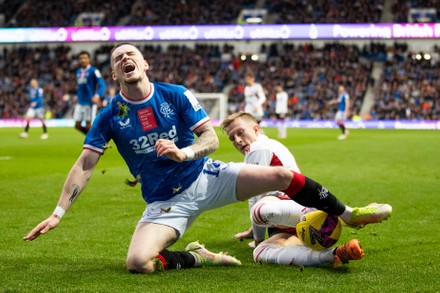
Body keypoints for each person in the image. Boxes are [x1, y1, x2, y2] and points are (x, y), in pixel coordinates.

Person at [24, 43, 391, 274]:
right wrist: (58, 213)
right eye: (118, 58)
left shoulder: (176, 95)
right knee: (138, 264)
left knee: (279, 177)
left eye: (131, 54)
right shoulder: (109, 116)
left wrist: (184, 152)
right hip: (165, 202)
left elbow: (211, 137)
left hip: (207, 176)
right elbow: (86, 164)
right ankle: (197, 256)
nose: (124, 58)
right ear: (115, 73)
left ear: (145, 63)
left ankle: (349, 215)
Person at [220, 112, 391, 247]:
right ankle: (335, 248)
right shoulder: (263, 147)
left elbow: (255, 198)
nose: (238, 140)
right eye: (232, 138)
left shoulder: (257, 148)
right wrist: (254, 231)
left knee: (260, 212)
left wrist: (258, 240)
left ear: (256, 129)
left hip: (287, 205)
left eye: (240, 132)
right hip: (284, 213)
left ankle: (346, 215)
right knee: (270, 250)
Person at [250, 196, 364, 269]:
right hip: (296, 234)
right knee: (259, 252)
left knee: (259, 213)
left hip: (298, 210)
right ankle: (333, 253)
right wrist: (256, 237)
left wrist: (258, 239)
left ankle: (354, 216)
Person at [73, 51, 106, 134]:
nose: (83, 60)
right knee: (77, 125)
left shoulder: (93, 71)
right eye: (81, 58)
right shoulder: (78, 72)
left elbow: (102, 85)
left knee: (89, 124)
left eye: (85, 58)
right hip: (80, 102)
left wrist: (97, 96)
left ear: (89, 59)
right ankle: (95, 138)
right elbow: (80, 87)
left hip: (90, 102)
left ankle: (91, 142)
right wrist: (77, 96)